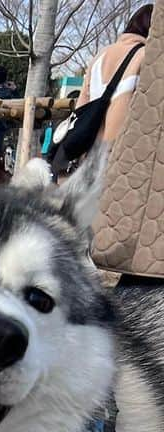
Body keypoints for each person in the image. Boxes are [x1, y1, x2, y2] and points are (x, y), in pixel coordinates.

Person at [93, 3, 164, 281]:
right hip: (124, 150)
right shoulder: (147, 55)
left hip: (93, 148)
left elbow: (84, 102)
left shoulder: (101, 55)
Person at [75, 4, 152, 144]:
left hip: (87, 144)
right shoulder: (147, 56)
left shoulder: (101, 54)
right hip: (121, 146)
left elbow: (81, 105)